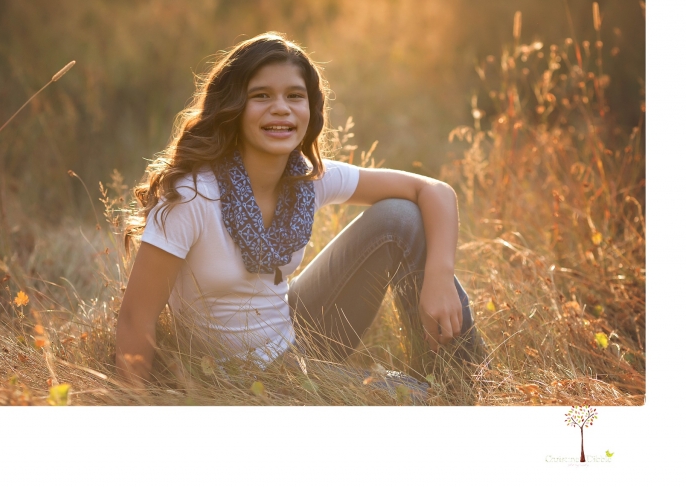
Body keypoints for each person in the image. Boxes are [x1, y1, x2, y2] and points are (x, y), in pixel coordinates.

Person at [116, 32, 483, 398]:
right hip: (233, 378)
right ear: (233, 106)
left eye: (295, 96)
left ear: (311, 109)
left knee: (400, 217)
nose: (281, 108)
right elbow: (137, 317)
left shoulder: (305, 178)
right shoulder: (192, 197)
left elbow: (433, 190)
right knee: (413, 400)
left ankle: (464, 384)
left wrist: (439, 276)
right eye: (261, 96)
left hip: (295, 341)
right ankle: (435, 397)